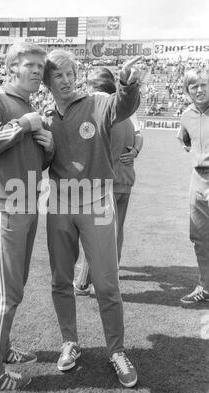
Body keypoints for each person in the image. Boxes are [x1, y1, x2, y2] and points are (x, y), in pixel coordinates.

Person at [43, 50, 141, 388]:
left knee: (107, 283)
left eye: (70, 73)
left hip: (98, 203)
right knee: (60, 280)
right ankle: (70, 342)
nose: (67, 80)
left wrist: (126, 84)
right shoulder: (44, 115)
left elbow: (123, 107)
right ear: (48, 82)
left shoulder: (99, 101)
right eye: (59, 75)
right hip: (58, 205)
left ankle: (116, 350)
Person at [0, 42, 54, 392]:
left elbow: (31, 162)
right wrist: (23, 124)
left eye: (41, 66)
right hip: (2, 208)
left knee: (13, 291)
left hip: (26, 207)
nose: (38, 71)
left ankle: (2, 350)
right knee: (5, 295)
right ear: (12, 67)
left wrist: (47, 148)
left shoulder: (29, 106)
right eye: (30, 65)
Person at [73, 67, 143, 297]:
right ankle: (111, 270)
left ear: (92, 87)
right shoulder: (127, 112)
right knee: (116, 229)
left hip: (104, 182)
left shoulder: (98, 109)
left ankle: (84, 282)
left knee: (95, 233)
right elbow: (137, 138)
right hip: (125, 179)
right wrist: (134, 151)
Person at [177, 67, 209, 305]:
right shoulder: (186, 115)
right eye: (194, 86)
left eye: (204, 84)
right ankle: (206, 287)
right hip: (197, 179)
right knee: (199, 236)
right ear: (187, 90)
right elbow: (184, 139)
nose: (199, 90)